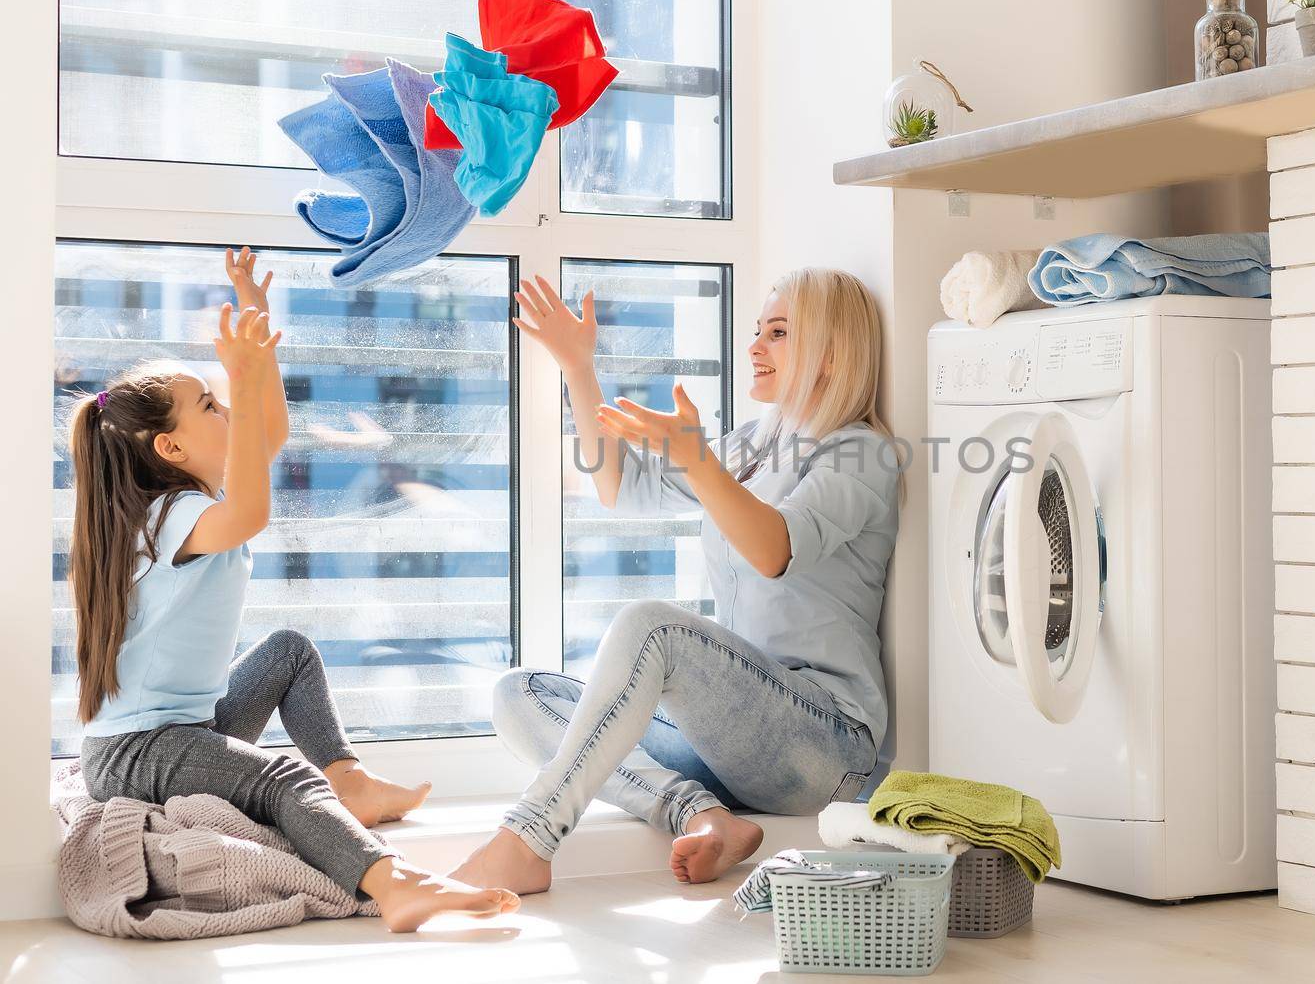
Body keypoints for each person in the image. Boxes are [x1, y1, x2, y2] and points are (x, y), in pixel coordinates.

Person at [70, 248, 520, 932]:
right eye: (209, 405)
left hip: (176, 734)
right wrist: (244, 381)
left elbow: (269, 431)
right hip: (139, 752)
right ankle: (393, 883)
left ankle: (349, 779)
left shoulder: (186, 504)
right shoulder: (175, 516)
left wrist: (256, 330)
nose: (227, 411)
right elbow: (253, 508)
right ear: (171, 449)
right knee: (284, 780)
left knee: (288, 650)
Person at [453, 267, 901, 895]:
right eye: (756, 331)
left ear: (831, 353)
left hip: (826, 751)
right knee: (518, 694)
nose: (754, 347)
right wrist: (579, 369)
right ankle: (701, 815)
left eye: (777, 333)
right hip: (736, 745)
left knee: (651, 626)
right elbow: (621, 488)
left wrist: (696, 458)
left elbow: (776, 548)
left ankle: (529, 839)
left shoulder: (861, 452)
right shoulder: (753, 445)